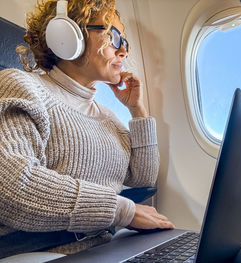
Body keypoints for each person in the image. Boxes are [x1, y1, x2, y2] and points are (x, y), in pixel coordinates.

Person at [0, 0, 174, 258]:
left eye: (124, 43)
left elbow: (143, 177)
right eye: (113, 37)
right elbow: (12, 185)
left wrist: (137, 110)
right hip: (46, 252)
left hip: (106, 247)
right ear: (69, 34)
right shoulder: (21, 86)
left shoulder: (107, 116)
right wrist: (121, 211)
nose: (123, 51)